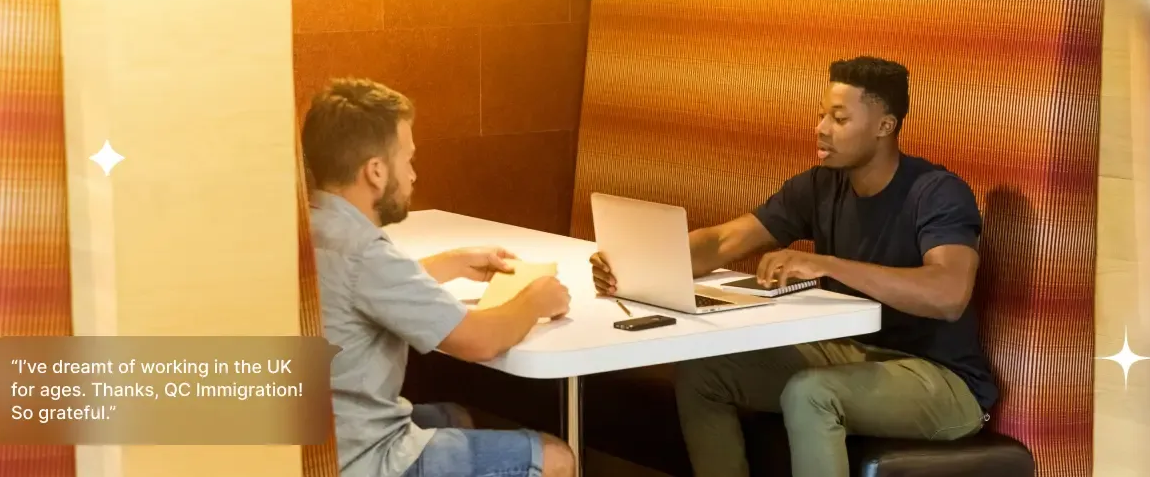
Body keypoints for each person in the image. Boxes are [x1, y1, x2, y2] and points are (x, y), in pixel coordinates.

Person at [590, 56, 998, 477]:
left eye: (839, 118)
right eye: (822, 115)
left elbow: (948, 294)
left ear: (884, 127)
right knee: (705, 373)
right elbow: (723, 241)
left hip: (942, 379)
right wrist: (632, 263)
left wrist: (829, 264)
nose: (821, 128)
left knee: (812, 393)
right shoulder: (821, 185)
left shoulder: (936, 193)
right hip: (854, 354)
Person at [304, 77, 577, 477]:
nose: (413, 175)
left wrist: (449, 263)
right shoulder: (365, 251)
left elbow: (359, 290)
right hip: (363, 458)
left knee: (454, 417)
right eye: (408, 160)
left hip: (317, 446)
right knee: (556, 458)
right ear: (376, 171)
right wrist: (536, 298)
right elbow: (479, 342)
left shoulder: (311, 228)